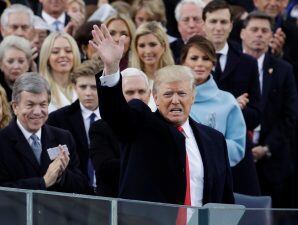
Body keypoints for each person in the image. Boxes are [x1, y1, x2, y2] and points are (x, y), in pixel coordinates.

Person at [90, 24, 234, 207]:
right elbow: (116, 115)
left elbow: (225, 197)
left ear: (193, 97)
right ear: (155, 97)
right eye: (167, 94)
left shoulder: (214, 140)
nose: (175, 101)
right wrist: (111, 68)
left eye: (181, 94)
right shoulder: (141, 125)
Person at [241, 11, 298, 207]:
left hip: (273, 162)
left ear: (271, 36)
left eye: (265, 30)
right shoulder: (230, 66)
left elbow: (289, 116)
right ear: (242, 33)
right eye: (254, 29)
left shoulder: (284, 70)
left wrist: (266, 148)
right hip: (236, 160)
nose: (259, 34)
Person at [0, 72, 88, 193]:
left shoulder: (63, 137)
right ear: (15, 107)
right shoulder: (2, 141)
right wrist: (44, 182)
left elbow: (81, 186)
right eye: (30, 105)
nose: (37, 111)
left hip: (56, 211)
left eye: (43, 104)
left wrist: (61, 175)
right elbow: (3, 190)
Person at [180, 35, 246, 167]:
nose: (200, 64)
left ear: (213, 63)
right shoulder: (172, 98)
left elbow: (237, 148)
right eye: (194, 58)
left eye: (206, 59)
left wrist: (204, 144)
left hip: (214, 176)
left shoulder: (227, 101)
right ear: (183, 62)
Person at [89, 67, 152, 197]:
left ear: (150, 94)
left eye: (141, 91)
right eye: (130, 92)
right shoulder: (101, 128)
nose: (137, 98)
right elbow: (104, 169)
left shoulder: (160, 125)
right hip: (114, 207)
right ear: (118, 94)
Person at [47, 59, 103, 193]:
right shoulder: (57, 119)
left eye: (94, 87)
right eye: (83, 87)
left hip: (109, 191)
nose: (88, 93)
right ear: (74, 86)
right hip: (73, 193)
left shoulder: (115, 117)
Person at [39, 32, 81, 113]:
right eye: (55, 52)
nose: (62, 55)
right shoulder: (39, 89)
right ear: (46, 58)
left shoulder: (85, 86)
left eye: (68, 51)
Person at [130, 21, 174, 88]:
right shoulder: (128, 79)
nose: (147, 51)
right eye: (142, 46)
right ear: (136, 49)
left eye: (152, 45)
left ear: (163, 46)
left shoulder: (176, 78)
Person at [0, 35, 32, 102]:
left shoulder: (37, 86)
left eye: (21, 61)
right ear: (1, 64)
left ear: (28, 64)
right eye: (10, 61)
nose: (16, 66)